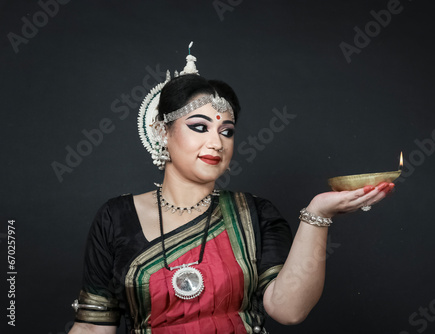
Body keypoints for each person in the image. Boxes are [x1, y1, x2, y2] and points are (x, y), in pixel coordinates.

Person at [69, 46, 395, 334]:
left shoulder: (254, 214)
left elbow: (288, 310)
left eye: (226, 131)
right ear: (162, 132)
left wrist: (316, 216)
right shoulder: (116, 218)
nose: (216, 142)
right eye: (199, 127)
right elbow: (92, 326)